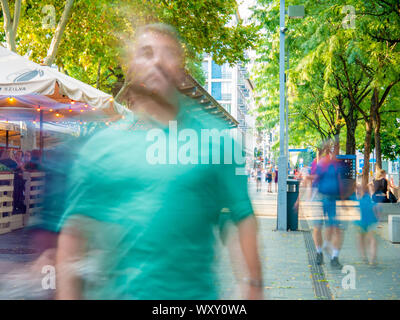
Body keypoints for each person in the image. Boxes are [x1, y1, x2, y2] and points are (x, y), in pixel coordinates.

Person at [55, 24, 263, 300]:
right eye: (147, 52)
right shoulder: (101, 147)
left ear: (181, 67)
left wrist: (252, 285)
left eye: (168, 53)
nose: (157, 61)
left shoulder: (216, 140)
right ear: (131, 66)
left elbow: (242, 218)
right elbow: (73, 237)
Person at [312, 141, 345, 268]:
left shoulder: (338, 165)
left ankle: (334, 257)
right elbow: (315, 179)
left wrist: (343, 200)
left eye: (337, 148)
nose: (335, 150)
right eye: (333, 148)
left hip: (333, 200)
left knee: (336, 229)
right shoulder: (320, 163)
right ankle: (319, 252)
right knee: (317, 227)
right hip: (320, 199)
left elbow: (340, 182)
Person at [354, 184, 379, 265]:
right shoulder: (358, 198)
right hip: (363, 222)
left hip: (368, 221)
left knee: (369, 239)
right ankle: (366, 257)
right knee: (364, 239)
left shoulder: (367, 197)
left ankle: (370, 257)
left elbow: (375, 208)